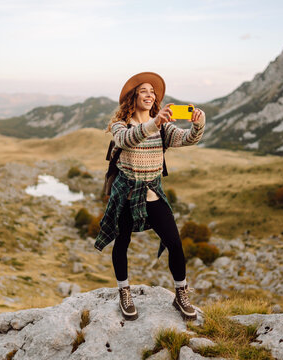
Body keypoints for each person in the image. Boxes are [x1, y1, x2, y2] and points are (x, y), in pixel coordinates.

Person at [94, 71, 206, 321]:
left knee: (175, 243)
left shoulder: (163, 126)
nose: (149, 94)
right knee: (121, 243)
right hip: (126, 192)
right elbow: (127, 139)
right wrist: (154, 123)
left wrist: (198, 124)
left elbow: (187, 139)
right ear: (132, 97)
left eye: (152, 91)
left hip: (153, 191)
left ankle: (181, 294)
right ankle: (124, 291)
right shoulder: (120, 126)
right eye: (143, 90)